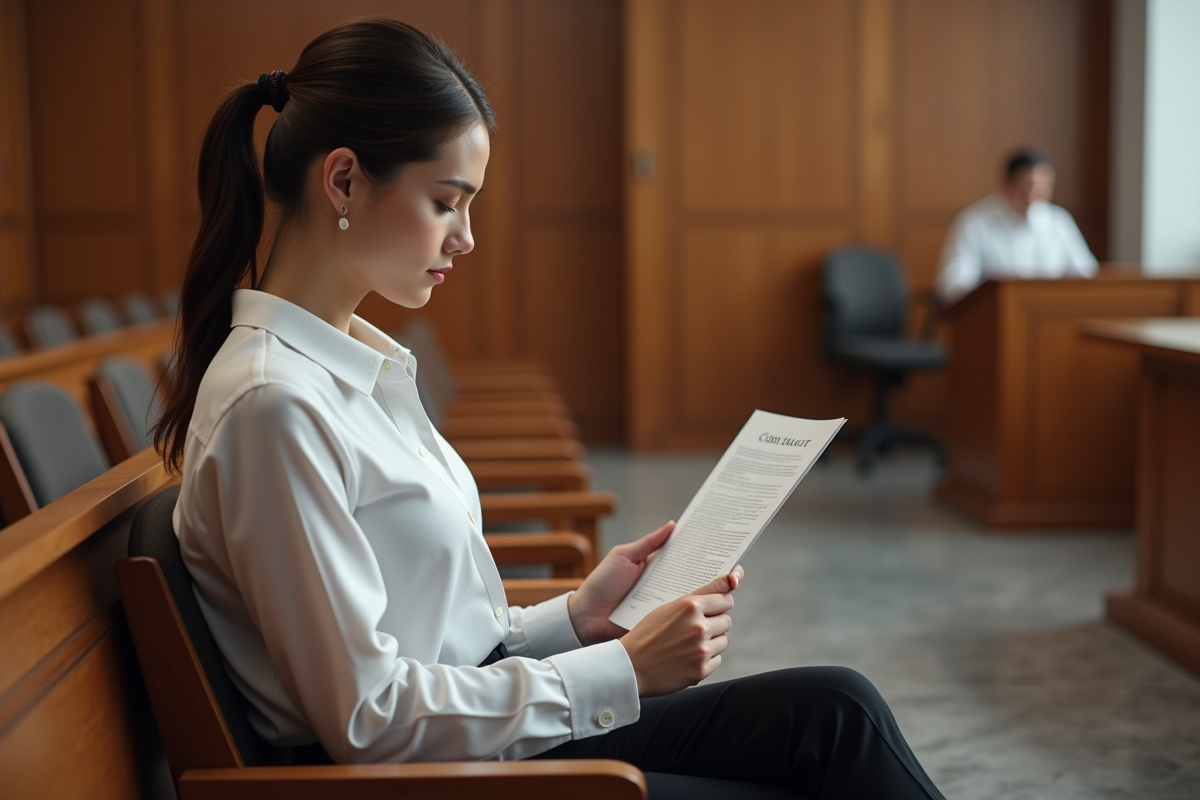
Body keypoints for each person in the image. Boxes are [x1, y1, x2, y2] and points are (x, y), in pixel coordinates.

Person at [155, 17, 946, 799]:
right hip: (427, 779)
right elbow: (371, 719)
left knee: (835, 710)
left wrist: (577, 616)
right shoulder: (275, 408)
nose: (466, 237)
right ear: (344, 181)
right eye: (446, 201)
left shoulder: (356, 367)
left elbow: (444, 642)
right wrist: (623, 671)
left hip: (476, 724)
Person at [935, 147, 1098, 305]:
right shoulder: (974, 222)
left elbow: (1086, 274)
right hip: (994, 318)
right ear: (1006, 184)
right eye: (1026, 187)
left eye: (1044, 189)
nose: (1033, 196)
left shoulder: (1059, 221)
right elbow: (952, 285)